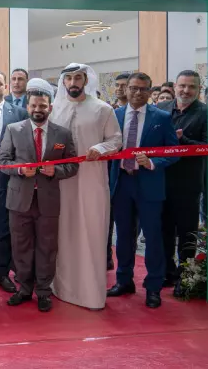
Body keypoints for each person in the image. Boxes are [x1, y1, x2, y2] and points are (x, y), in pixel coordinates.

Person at [1, 79, 78, 313]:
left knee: (47, 247)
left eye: (42, 106)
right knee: (21, 246)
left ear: (50, 107)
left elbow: (73, 165)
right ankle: (24, 289)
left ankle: (44, 291)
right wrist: (19, 170)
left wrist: (57, 171)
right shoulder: (13, 130)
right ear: (27, 106)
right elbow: (3, 162)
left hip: (48, 201)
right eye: (33, 105)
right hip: (19, 200)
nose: (38, 109)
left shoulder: (62, 134)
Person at [50, 63, 122, 311]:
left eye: (78, 78)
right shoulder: (55, 109)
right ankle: (61, 287)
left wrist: (100, 148)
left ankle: (90, 294)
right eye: (69, 78)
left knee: (91, 231)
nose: (73, 83)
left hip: (92, 180)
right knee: (64, 231)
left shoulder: (102, 109)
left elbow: (116, 139)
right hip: (62, 182)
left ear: (86, 80)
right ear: (63, 82)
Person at [107, 72, 179, 309]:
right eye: (134, 88)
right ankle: (123, 280)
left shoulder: (162, 117)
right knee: (123, 236)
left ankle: (153, 286)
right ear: (126, 89)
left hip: (149, 184)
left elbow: (174, 151)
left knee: (153, 236)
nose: (138, 93)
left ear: (150, 91)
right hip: (121, 184)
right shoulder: (114, 116)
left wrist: (153, 162)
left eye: (143, 89)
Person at [157, 70, 208, 298]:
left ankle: (184, 276)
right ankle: (167, 272)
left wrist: (182, 140)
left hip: (188, 184)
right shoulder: (162, 109)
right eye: (182, 86)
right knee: (164, 230)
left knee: (187, 233)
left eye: (191, 87)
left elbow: (207, 147)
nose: (186, 91)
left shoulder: (206, 113)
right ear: (175, 87)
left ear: (198, 89)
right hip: (161, 180)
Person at [0, 71, 28, 293]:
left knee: (5, 229)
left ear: (6, 87)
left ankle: (3, 273)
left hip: (7, 181)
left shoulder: (20, 113)